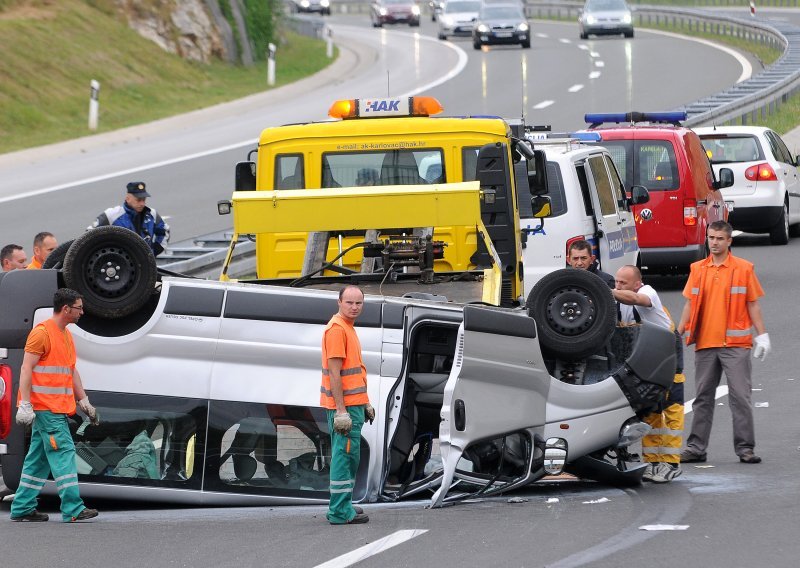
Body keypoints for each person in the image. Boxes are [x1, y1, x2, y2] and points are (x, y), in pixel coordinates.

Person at [677, 221, 769, 464]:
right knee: (702, 398)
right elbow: (689, 303)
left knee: (740, 397)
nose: (714, 242)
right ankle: (696, 448)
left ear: (730, 241)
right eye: (711, 237)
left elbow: (753, 303)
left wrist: (762, 334)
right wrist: (677, 332)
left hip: (736, 345)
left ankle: (745, 448)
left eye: (719, 238)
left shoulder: (743, 268)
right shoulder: (698, 269)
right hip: (705, 343)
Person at [11, 288, 99, 522]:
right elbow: (25, 368)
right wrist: (25, 404)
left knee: (38, 460)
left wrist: (84, 401)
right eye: (79, 307)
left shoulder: (66, 335)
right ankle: (73, 509)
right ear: (66, 309)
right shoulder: (42, 334)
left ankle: (21, 508)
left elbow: (70, 371)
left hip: (56, 407)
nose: (82, 312)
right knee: (64, 454)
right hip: (47, 409)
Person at [613, 265, 684, 483]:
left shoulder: (648, 292)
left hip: (666, 353)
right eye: (616, 282)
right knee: (649, 409)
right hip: (644, 357)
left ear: (637, 284)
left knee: (672, 408)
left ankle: (671, 463)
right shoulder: (619, 301)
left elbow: (637, 300)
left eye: (623, 283)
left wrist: (608, 291)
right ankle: (652, 462)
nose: (618, 286)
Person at [321, 285, 374, 525]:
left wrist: (365, 403)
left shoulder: (348, 328)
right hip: (344, 410)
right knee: (344, 457)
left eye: (358, 303)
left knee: (349, 457)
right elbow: (335, 374)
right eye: (349, 303)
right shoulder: (337, 330)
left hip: (354, 406)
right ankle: (340, 512)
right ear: (339, 302)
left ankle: (345, 504)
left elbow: (355, 373)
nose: (354, 307)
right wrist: (341, 412)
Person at [90, 181, 170, 256]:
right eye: (138, 200)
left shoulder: (152, 214)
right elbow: (89, 234)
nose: (142, 203)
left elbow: (164, 231)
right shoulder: (111, 215)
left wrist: (153, 252)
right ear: (128, 198)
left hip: (146, 266)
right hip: (119, 265)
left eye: (144, 199)